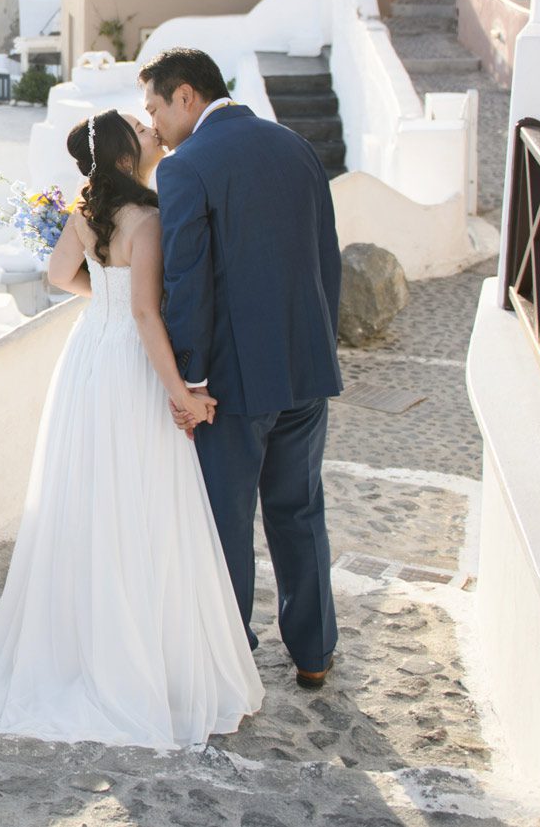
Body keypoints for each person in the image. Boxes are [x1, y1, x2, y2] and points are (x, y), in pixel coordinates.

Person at [0, 110, 263, 747]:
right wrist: (183, 396)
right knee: (140, 501)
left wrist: (103, 295)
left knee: (90, 495)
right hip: (130, 367)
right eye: (138, 130)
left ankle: (84, 644)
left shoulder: (86, 213)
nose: (149, 134)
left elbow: (60, 277)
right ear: (120, 154)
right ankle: (140, 658)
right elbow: (146, 314)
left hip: (87, 358)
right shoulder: (150, 217)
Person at [142, 47, 343, 689]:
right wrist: (321, 345)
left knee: (226, 520)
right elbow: (325, 259)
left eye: (155, 107)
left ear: (187, 97)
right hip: (306, 365)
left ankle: (232, 661)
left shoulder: (186, 169)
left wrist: (191, 381)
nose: (155, 124)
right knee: (299, 509)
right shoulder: (296, 146)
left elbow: (187, 281)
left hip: (231, 383)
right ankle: (314, 653)